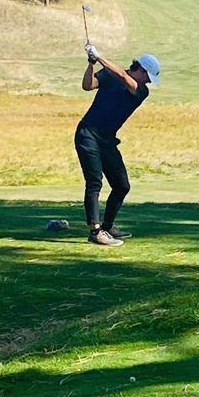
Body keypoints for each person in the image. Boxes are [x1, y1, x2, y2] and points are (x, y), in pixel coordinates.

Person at [75, 44, 160, 246]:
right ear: (141, 69)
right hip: (87, 134)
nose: (149, 81)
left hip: (107, 140)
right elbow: (88, 85)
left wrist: (99, 57)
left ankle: (107, 226)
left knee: (122, 185)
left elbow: (122, 76)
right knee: (94, 182)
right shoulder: (109, 74)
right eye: (148, 76)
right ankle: (95, 231)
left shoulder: (141, 91)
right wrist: (91, 63)